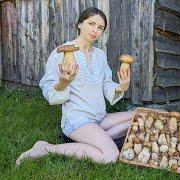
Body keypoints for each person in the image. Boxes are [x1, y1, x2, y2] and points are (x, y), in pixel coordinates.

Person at [16, 7, 134, 165]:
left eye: (100, 27)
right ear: (79, 24)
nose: (95, 30)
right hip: (77, 120)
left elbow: (106, 84)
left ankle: (92, 139)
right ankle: (46, 148)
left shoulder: (100, 55)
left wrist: (122, 87)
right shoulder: (61, 53)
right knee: (111, 156)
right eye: (91, 24)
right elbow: (49, 91)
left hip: (100, 117)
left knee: (137, 116)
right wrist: (63, 83)